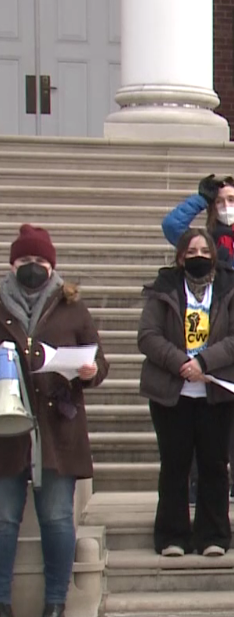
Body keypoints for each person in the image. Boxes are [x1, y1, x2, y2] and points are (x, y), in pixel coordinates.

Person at [0, 225, 109, 617]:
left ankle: (56, 601)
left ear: (52, 266)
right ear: (13, 264)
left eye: (40, 261)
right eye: (26, 261)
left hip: (57, 426)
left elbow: (99, 363)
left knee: (58, 518)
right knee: (3, 518)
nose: (33, 268)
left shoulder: (71, 306)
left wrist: (87, 371)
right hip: (6, 426)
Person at [162, 175, 234, 506]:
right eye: (220, 201)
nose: (226, 207)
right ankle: (198, 481)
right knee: (203, 411)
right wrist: (200, 198)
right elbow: (172, 226)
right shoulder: (204, 244)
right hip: (205, 340)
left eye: (232, 200)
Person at [138, 229, 234, 558]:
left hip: (215, 392)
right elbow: (147, 335)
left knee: (215, 465)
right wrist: (181, 363)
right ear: (180, 256)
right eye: (191, 251)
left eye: (204, 250)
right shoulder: (165, 288)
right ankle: (172, 535)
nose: (198, 256)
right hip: (172, 393)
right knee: (174, 465)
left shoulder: (231, 288)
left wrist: (204, 361)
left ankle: (213, 534)